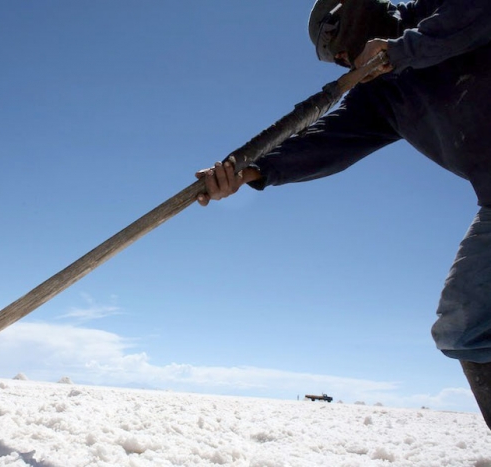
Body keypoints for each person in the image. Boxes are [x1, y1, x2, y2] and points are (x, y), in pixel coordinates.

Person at [196, 0, 491, 429]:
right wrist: (252, 171)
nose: (338, 62)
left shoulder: (436, 13)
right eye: (330, 58)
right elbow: (329, 138)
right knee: (463, 327)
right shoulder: (382, 96)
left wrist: (405, 51)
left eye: (333, 46)